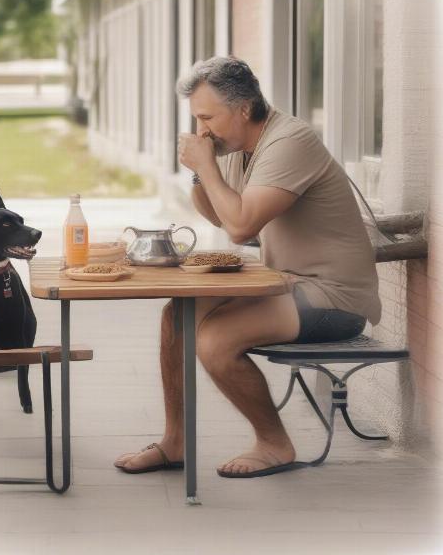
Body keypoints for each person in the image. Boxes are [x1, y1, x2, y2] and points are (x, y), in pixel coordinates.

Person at [114, 56, 381, 478]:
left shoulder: (290, 141)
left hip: (335, 296)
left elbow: (239, 227)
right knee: (178, 315)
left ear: (243, 109)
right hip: (286, 284)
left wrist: (205, 164)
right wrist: (204, 173)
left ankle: (275, 444)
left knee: (216, 340)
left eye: (207, 117)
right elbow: (221, 215)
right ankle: (175, 442)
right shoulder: (241, 146)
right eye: (196, 119)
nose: (201, 129)